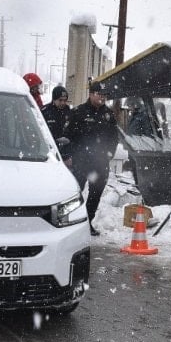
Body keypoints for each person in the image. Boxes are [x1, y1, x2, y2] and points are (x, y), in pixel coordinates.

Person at [64, 82, 121, 236]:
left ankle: (86, 223)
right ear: (91, 94)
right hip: (81, 161)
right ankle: (69, 224)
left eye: (104, 95)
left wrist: (109, 154)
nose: (102, 97)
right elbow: (68, 137)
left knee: (95, 195)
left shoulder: (108, 115)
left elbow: (114, 138)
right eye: (99, 94)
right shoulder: (78, 112)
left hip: (100, 162)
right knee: (75, 194)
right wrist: (69, 156)